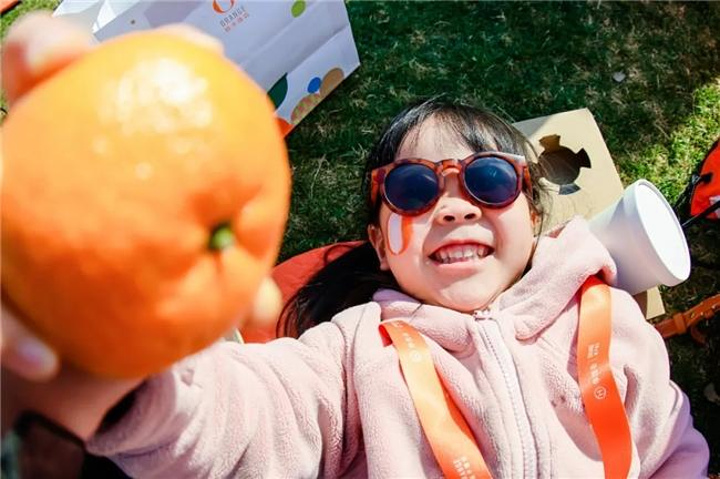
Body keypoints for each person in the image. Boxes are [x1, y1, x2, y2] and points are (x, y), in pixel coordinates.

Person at [2, 13, 710, 479]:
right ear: (380, 244)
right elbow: (252, 420)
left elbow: (670, 444)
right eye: (413, 189)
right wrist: (132, 367)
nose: (454, 204)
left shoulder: (609, 317)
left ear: (532, 213)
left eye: (489, 180)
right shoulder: (352, 356)